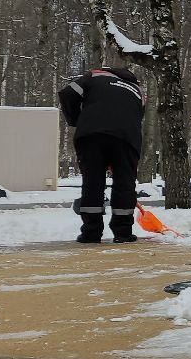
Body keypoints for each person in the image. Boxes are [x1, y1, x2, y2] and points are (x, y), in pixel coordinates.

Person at [58, 65, 146, 244]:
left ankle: (91, 233)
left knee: (93, 182)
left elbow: (67, 93)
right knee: (125, 183)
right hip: (127, 137)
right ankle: (123, 233)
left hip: (91, 134)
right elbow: (136, 116)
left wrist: (77, 120)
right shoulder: (138, 90)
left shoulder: (95, 75)